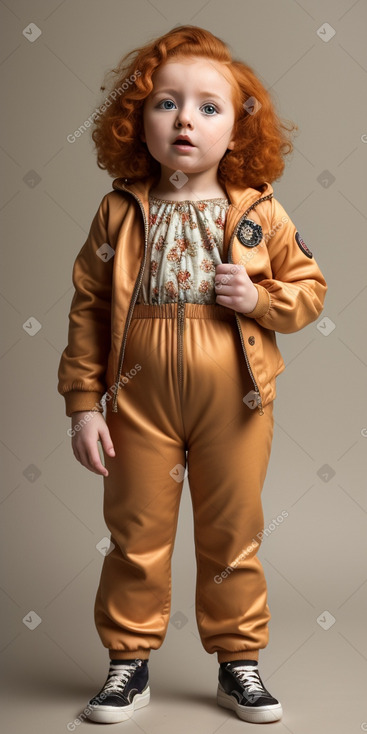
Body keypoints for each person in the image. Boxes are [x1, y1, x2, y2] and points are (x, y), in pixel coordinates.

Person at [57, 24, 327, 726]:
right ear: (134, 120)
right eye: (164, 103)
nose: (185, 119)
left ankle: (238, 662)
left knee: (231, 532)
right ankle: (128, 664)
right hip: (135, 396)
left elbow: (309, 290)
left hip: (232, 395)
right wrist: (85, 404)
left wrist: (261, 299)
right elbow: (88, 310)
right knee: (134, 530)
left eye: (209, 106)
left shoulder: (257, 209)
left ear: (239, 127)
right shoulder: (119, 211)